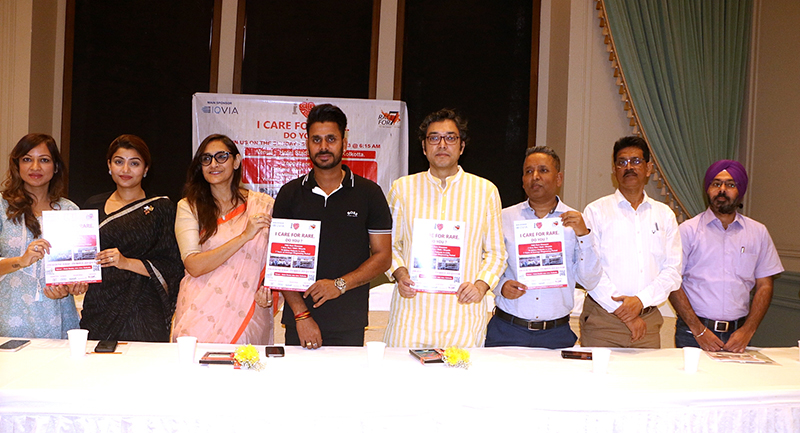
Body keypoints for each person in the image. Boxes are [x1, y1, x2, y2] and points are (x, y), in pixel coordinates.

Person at [384, 109, 507, 348]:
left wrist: (480, 286)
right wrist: (400, 274)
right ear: (424, 147)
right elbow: (388, 245)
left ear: (462, 146)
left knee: (460, 373)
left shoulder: (485, 191)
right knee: (401, 372)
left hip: (463, 315)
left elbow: (497, 253)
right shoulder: (402, 189)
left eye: (450, 138)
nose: (442, 144)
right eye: (434, 138)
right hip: (411, 313)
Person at [273, 104, 392, 348]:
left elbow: (383, 257)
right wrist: (302, 316)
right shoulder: (289, 194)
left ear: (344, 143)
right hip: (301, 323)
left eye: (331, 139)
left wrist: (339, 285)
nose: (323, 147)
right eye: (316, 140)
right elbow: (281, 265)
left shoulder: (369, 193)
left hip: (349, 323)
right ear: (307, 144)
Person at [485, 147, 602, 349]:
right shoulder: (503, 218)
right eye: (529, 171)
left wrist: (584, 235)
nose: (535, 177)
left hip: (556, 334)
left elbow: (590, 280)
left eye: (543, 170)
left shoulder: (578, 222)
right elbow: (485, 262)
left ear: (559, 178)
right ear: (522, 180)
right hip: (507, 330)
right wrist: (500, 286)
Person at [669, 160, 783, 353]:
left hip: (738, 335)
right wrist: (699, 331)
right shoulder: (687, 231)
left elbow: (765, 285)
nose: (722, 190)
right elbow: (673, 282)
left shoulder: (758, 232)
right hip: (692, 334)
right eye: (716, 184)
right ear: (708, 189)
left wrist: (748, 330)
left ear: (740, 191)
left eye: (730, 184)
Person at [79, 135, 184, 342]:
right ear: (109, 165)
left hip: (143, 311)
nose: (125, 170)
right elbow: (81, 256)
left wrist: (126, 262)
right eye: (119, 162)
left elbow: (173, 267)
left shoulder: (161, 209)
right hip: (99, 306)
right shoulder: (92, 205)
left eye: (134, 163)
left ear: (146, 169)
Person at [172, 134, 274, 344]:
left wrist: (269, 286)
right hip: (199, 311)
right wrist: (244, 236)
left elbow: (278, 258)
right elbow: (193, 265)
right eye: (206, 159)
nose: (213, 164)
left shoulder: (263, 205)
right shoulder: (189, 207)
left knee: (244, 363)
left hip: (247, 311)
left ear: (236, 161)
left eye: (221, 157)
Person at [580, 136, 682, 348]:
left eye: (636, 161)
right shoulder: (595, 212)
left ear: (648, 168)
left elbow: (672, 271)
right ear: (614, 170)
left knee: (647, 372)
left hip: (647, 323)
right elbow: (588, 270)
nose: (629, 167)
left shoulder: (664, 215)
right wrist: (626, 313)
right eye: (622, 162)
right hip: (603, 322)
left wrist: (640, 301)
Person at [0, 133, 86, 338]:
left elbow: (79, 273)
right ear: (17, 165)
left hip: (58, 317)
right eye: (27, 159)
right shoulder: (2, 207)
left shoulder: (70, 211)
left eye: (44, 160)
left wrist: (71, 286)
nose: (35, 167)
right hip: (8, 317)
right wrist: (21, 261)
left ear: (55, 167)